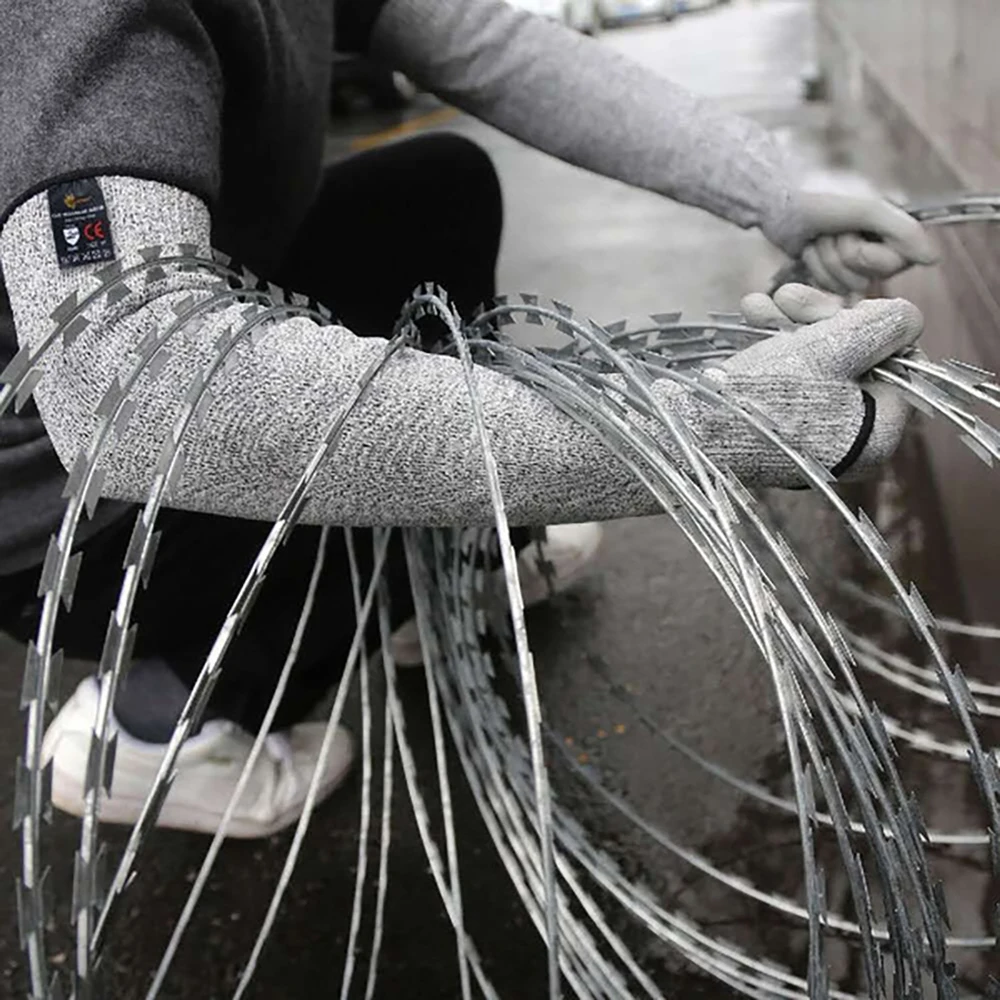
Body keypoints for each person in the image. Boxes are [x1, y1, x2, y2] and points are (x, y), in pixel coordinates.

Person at [0, 0, 936, 839]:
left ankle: (451, 564)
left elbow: (494, 45)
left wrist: (771, 191)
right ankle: (149, 729)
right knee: (339, 458)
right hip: (65, 511)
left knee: (433, 190)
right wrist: (693, 429)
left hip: (186, 323)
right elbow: (139, 387)